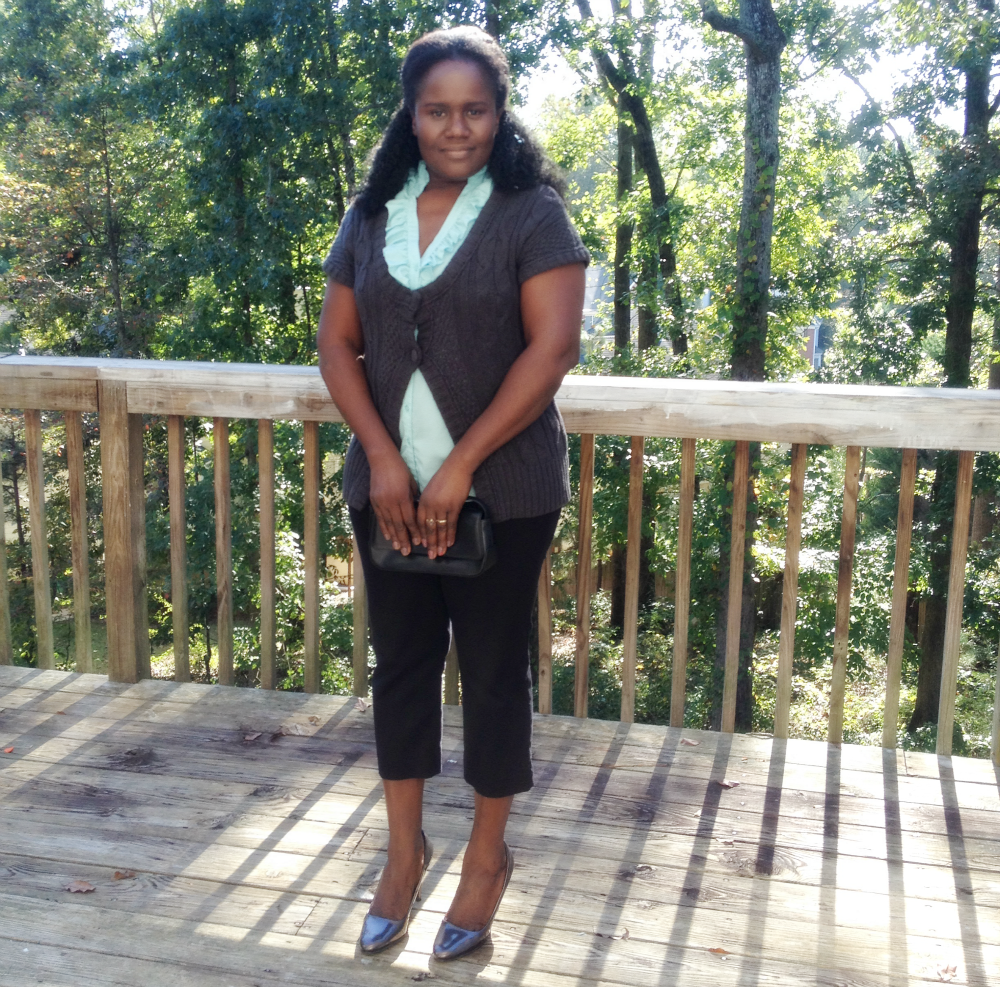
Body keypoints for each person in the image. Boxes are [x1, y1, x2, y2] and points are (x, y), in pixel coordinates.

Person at [316, 25, 588, 961]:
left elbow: (553, 349)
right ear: (411, 114)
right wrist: (383, 458)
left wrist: (462, 463)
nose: (457, 127)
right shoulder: (371, 214)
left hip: (503, 491)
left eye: (475, 109)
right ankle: (403, 855)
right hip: (387, 491)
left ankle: (484, 859)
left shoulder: (531, 214)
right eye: (437, 109)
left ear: (500, 113)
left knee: (494, 671)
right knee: (400, 667)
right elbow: (336, 344)